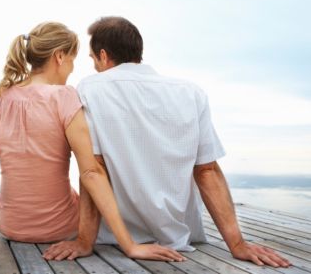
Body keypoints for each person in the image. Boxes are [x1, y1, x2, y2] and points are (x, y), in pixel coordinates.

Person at [0, 22, 183, 262]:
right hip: (63, 226)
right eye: (74, 59)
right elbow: (90, 172)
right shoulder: (65, 97)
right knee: (99, 171)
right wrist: (130, 246)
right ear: (59, 56)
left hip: (8, 226)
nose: (73, 69)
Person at [43, 17, 291, 268]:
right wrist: (237, 244)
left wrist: (85, 241)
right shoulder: (190, 92)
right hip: (180, 243)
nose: (95, 66)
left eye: (93, 59)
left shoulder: (89, 89)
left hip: (114, 241)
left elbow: (94, 169)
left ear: (103, 55)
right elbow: (207, 171)